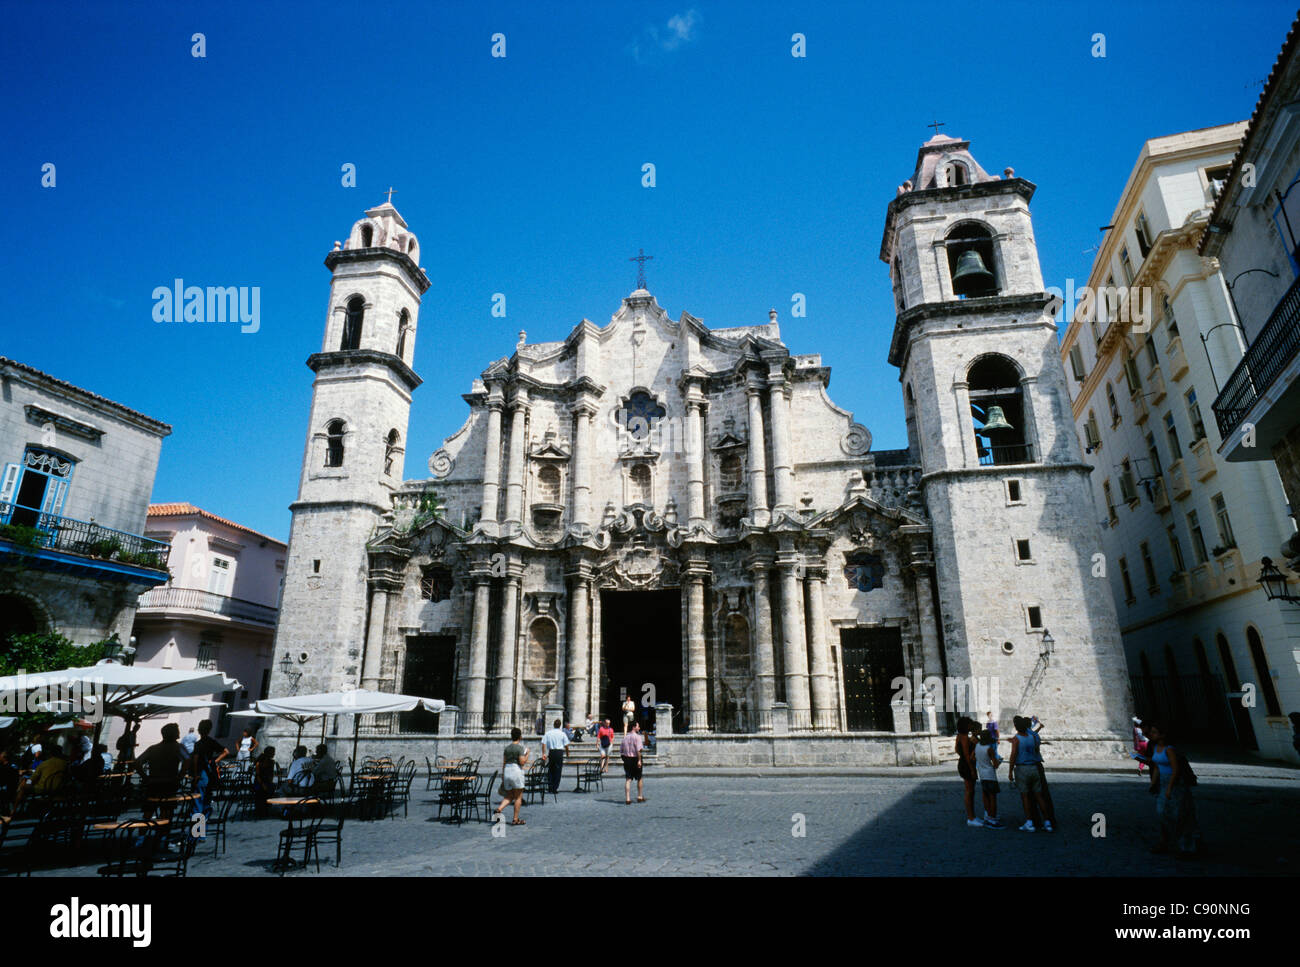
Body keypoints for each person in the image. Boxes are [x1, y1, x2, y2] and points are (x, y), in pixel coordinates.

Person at [1142, 721, 1200, 856]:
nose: (1151, 734)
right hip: (1162, 783)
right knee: (1162, 812)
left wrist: (1169, 788)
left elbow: (1176, 770)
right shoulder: (1155, 747)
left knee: (1181, 814)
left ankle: (1187, 846)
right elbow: (1156, 766)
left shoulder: (1170, 749)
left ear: (1163, 735)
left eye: (1154, 732)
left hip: (1175, 784)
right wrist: (1153, 783)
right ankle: (1168, 841)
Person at [1008, 716, 1052, 832]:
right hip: (1034, 767)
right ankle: (1047, 822)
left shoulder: (1016, 739)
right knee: (1039, 795)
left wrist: (1010, 771)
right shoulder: (1032, 737)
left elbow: (1013, 755)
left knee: (1025, 796)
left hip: (1022, 768)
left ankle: (1029, 822)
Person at [134, 723, 188, 813]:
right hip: (169, 784)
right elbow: (187, 760)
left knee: (148, 813)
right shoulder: (178, 747)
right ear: (173, 733)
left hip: (153, 784)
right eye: (177, 731)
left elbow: (137, 762)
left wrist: (145, 777)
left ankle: (144, 827)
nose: (179, 733)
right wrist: (180, 776)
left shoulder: (153, 748)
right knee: (166, 813)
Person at [190, 719, 229, 820]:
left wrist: (195, 774)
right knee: (206, 800)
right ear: (209, 730)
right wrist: (215, 761)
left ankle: (198, 831)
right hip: (209, 774)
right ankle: (204, 824)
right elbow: (226, 751)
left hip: (201, 773)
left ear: (199, 730)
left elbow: (195, 760)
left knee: (198, 802)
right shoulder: (212, 741)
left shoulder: (198, 744)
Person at [494, 727, 530, 826]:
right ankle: (515, 819)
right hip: (516, 771)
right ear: (520, 737)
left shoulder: (507, 748)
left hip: (507, 771)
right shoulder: (520, 748)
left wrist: (503, 775)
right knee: (518, 796)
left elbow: (504, 762)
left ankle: (499, 809)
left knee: (509, 795)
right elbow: (522, 762)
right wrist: (527, 754)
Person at [954, 716, 981, 827]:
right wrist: (972, 770)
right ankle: (971, 817)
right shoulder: (964, 737)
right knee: (969, 791)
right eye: (969, 724)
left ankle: (972, 816)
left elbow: (957, 750)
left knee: (970, 791)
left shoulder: (959, 736)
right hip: (967, 765)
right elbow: (966, 755)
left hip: (963, 763)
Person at [974, 729, 1002, 828]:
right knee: (992, 797)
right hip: (990, 774)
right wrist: (998, 761)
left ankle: (988, 815)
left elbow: (972, 758)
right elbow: (995, 764)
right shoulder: (989, 749)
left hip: (982, 774)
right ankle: (992, 818)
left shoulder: (977, 746)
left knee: (985, 796)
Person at [541, 719, 569, 795]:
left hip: (552, 752)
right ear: (560, 725)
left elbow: (543, 743)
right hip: (559, 752)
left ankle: (550, 786)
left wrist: (543, 753)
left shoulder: (548, 733)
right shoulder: (562, 734)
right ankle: (555, 787)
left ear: (554, 725)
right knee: (558, 770)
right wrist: (567, 754)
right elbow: (566, 745)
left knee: (551, 769)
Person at [620, 722, 646, 804]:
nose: (639, 728)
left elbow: (621, 751)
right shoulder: (637, 737)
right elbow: (638, 750)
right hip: (635, 759)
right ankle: (640, 796)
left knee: (628, 779)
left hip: (627, 759)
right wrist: (639, 760)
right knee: (639, 778)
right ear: (634, 727)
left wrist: (624, 759)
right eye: (638, 726)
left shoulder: (625, 738)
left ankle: (628, 798)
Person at [253, 746, 277, 817]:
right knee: (261, 790)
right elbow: (258, 775)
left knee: (270, 788)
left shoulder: (271, 762)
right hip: (259, 782)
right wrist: (263, 784)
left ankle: (265, 808)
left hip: (266, 781)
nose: (274, 754)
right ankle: (261, 809)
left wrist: (268, 783)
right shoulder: (259, 762)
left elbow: (271, 775)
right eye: (273, 752)